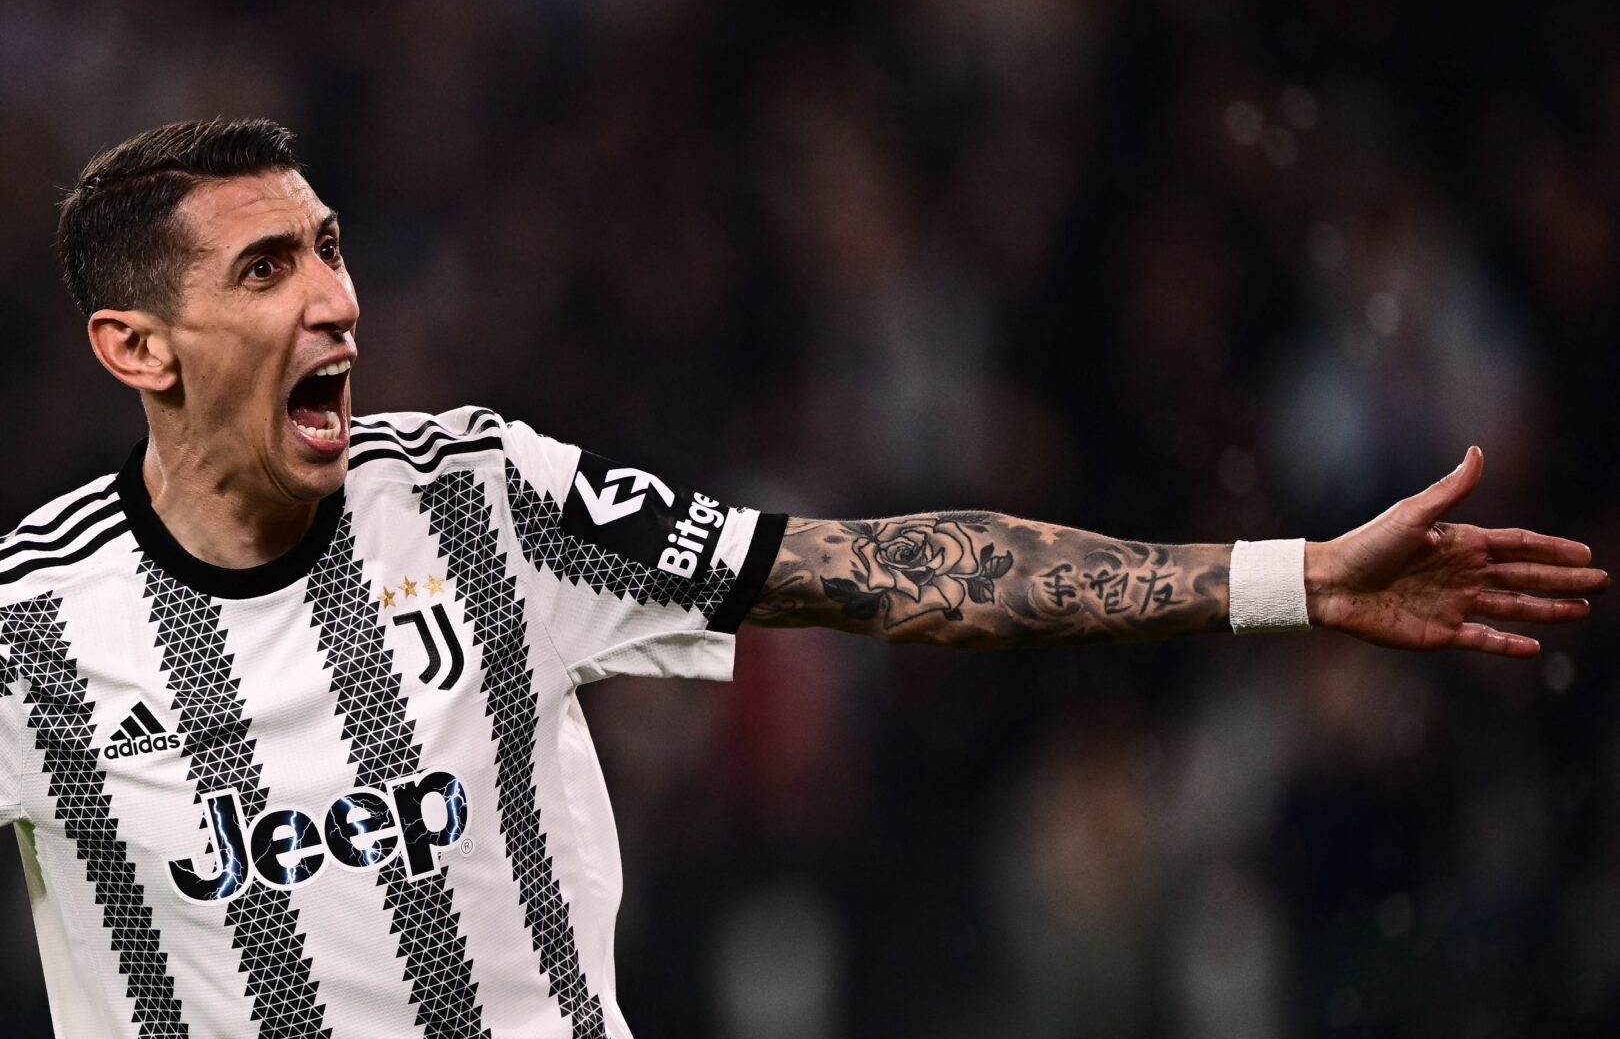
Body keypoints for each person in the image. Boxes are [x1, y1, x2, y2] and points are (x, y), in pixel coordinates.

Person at [0, 118, 1603, 1039]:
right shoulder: (32, 631)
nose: (335, 300)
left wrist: (1286, 578)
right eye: (265, 270)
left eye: (332, 248)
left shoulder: (483, 499)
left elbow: (887, 573)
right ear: (136, 347)